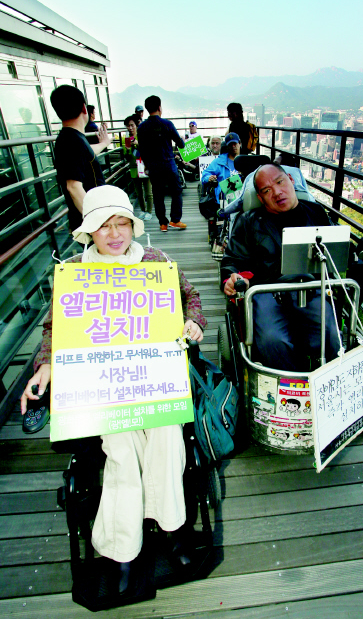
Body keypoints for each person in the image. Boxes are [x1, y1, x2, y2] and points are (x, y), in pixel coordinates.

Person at [20, 186, 206, 594]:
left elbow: (190, 297)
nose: (116, 234)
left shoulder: (155, 260)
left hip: (153, 377)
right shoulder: (73, 271)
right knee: (121, 449)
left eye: (123, 223)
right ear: (89, 232)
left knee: (166, 438)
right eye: (105, 226)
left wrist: (192, 323)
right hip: (104, 387)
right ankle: (129, 548)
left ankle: (168, 530)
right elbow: (55, 328)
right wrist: (45, 365)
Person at [221, 163, 340, 372]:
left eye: (280, 182)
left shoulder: (316, 214)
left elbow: (335, 254)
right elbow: (232, 261)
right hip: (266, 292)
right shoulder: (248, 222)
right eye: (266, 190)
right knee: (271, 340)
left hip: (311, 288)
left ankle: (327, 383)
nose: (277, 192)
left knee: (330, 333)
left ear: (291, 181)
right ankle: (286, 386)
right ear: (260, 197)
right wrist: (231, 278)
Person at [50, 85, 110, 232]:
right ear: (84, 108)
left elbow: (86, 153)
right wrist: (100, 223)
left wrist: (103, 143)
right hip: (90, 223)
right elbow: (73, 187)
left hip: (89, 218)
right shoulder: (71, 141)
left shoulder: (72, 138)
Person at [137, 95, 186, 232]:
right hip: (168, 163)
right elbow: (181, 145)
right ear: (159, 107)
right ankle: (175, 220)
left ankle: (163, 223)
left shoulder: (142, 128)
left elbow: (142, 149)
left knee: (158, 194)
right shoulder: (167, 124)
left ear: (147, 109)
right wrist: (181, 139)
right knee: (176, 191)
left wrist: (147, 164)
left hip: (153, 166)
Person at [123, 115, 153, 221]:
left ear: (136, 125)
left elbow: (148, 150)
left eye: (132, 125)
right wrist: (127, 149)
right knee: (139, 193)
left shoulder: (143, 136)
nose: (130, 128)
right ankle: (143, 210)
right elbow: (126, 157)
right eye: (128, 126)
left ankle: (149, 211)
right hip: (134, 168)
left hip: (144, 167)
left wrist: (138, 144)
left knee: (148, 191)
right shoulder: (126, 139)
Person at [201, 132, 241, 201]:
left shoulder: (246, 161)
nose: (233, 146)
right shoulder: (219, 161)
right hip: (225, 197)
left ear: (239, 144)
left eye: (235, 143)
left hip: (243, 194)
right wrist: (209, 178)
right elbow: (204, 175)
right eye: (230, 144)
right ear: (227, 146)